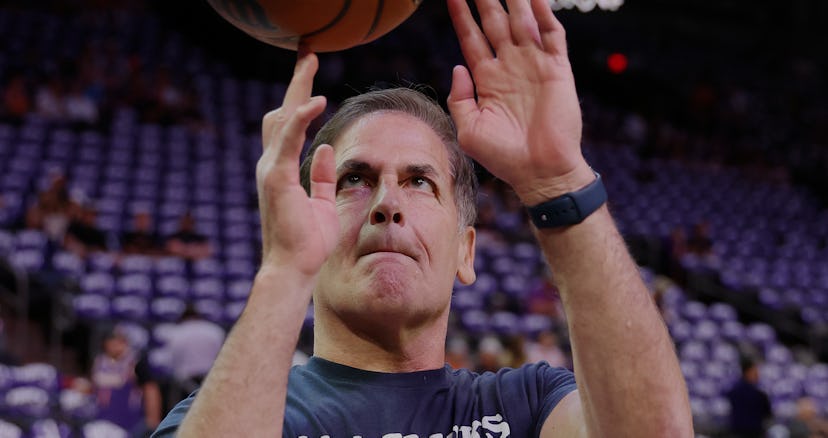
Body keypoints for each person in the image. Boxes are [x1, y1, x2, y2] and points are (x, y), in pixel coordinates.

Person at [154, 0, 692, 436]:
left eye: (418, 182)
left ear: (466, 250)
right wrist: (282, 275)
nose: (387, 202)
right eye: (354, 179)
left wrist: (560, 181)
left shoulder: (528, 406)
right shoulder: (247, 418)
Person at [724, 357, 773, 438]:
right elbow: (768, 413)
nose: (758, 374)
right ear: (747, 372)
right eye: (755, 371)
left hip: (740, 432)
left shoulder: (733, 391)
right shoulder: (759, 394)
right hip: (748, 433)